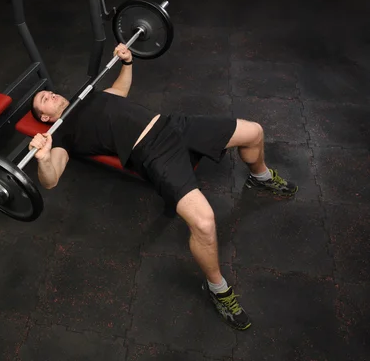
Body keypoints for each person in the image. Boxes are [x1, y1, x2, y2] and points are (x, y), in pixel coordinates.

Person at [28, 43, 298, 330]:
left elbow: (119, 92)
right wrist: (43, 158)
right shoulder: (62, 137)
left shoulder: (87, 97)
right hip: (155, 154)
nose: (51, 94)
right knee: (205, 224)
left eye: (49, 91)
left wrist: (127, 63)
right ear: (45, 118)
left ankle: (261, 176)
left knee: (254, 131)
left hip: (173, 125)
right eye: (44, 99)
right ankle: (219, 290)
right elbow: (51, 179)